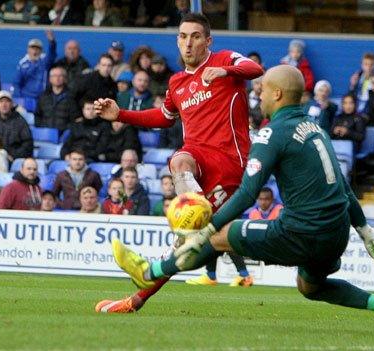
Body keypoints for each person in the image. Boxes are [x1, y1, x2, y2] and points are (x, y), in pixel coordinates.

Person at [99, 65, 374, 339]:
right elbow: (345, 190)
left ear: (278, 95)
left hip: (301, 231)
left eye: (263, 90)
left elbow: (247, 194)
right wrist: (368, 236)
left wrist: (206, 227)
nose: (259, 95)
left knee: (218, 237)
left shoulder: (272, 134)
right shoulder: (316, 129)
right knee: (311, 287)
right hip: (336, 234)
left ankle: (151, 270)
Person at [93, 12, 263, 312]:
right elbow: (163, 117)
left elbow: (254, 68)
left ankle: (137, 297)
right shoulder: (177, 82)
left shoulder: (224, 59)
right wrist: (121, 114)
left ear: (207, 40)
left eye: (196, 36)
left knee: (185, 247)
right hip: (196, 162)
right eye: (183, 37)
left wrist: (226, 72)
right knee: (180, 161)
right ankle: (136, 299)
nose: (188, 43)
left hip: (229, 167)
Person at [0, 90, 33, 161]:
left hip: (13, 160)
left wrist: (13, 156)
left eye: (7, 101)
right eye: (1, 101)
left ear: (12, 104)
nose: (4, 104)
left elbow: (28, 144)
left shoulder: (20, 122)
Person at [14, 32, 57, 101]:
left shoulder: (45, 61)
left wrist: (52, 42)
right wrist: (19, 99)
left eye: (37, 49)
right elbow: (17, 83)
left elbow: (52, 54)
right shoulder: (22, 64)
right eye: (32, 48)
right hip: (27, 98)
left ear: (41, 51)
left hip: (43, 98)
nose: (35, 51)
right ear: (28, 50)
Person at [34, 66, 80, 132]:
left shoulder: (72, 96)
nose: (57, 78)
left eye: (60, 76)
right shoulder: (43, 96)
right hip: (45, 133)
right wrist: (42, 128)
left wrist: (66, 129)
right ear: (50, 79)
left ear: (65, 78)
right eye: (54, 76)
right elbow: (37, 115)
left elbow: (76, 118)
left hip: (65, 135)